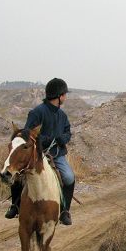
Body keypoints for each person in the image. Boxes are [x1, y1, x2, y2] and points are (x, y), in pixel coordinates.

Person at [5, 78, 76, 226]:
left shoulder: (62, 115)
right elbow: (26, 134)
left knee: (69, 177)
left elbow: (67, 132)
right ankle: (15, 205)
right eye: (65, 94)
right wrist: (49, 139)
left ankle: (64, 211)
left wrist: (64, 138)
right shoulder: (37, 112)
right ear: (59, 96)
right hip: (38, 154)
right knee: (18, 175)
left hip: (57, 155)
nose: (66, 97)